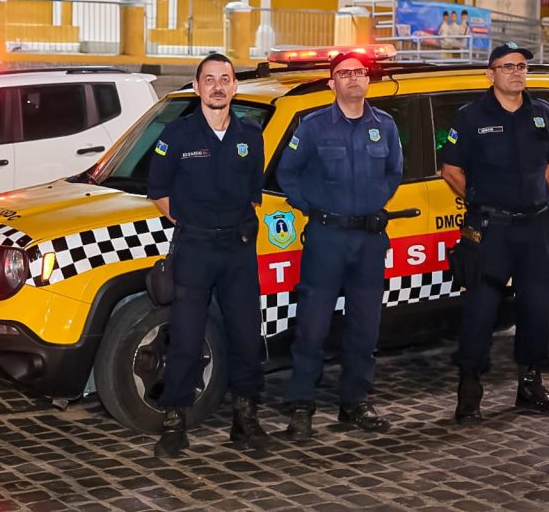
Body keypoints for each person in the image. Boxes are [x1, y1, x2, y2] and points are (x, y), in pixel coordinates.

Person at [440, 42, 549, 424]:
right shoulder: (470, 117)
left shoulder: (543, 113)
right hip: (490, 228)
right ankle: (469, 391)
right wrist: (482, 199)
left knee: (536, 306)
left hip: (535, 226)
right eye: (508, 66)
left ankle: (530, 384)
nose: (517, 72)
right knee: (480, 310)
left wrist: (532, 195)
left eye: (522, 66)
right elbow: (451, 170)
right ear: (490, 73)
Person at [276, 50, 403, 437]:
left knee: (365, 327)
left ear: (367, 80)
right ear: (332, 83)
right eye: (344, 73)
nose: (352, 78)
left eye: (359, 72)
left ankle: (355, 402)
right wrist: (313, 207)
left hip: (369, 240)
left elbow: (394, 172)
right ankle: (302, 406)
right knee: (312, 327)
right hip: (326, 238)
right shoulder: (313, 126)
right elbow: (287, 173)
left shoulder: (385, 125)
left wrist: (372, 202)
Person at [146, 53, 267, 458]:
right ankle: (174, 422)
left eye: (225, 79)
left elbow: (253, 193)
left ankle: (245, 417)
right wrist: (196, 221)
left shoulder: (251, 135)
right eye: (209, 79)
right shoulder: (176, 134)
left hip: (238, 249)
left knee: (246, 335)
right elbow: (159, 192)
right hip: (195, 248)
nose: (217, 86)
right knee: (186, 336)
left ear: (235, 86)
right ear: (197, 87)